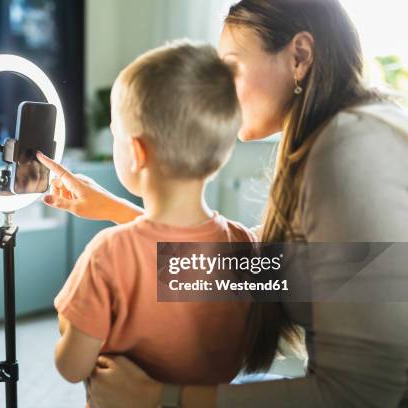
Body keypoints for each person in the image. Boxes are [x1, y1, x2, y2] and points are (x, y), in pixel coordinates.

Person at [38, 0, 408, 406]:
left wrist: (163, 396)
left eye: (229, 68)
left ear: (299, 57)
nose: (219, 91)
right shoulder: (339, 138)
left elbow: (361, 395)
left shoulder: (348, 149)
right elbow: (266, 269)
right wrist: (116, 211)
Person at [49, 41, 254, 405]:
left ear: (138, 153)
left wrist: (70, 325)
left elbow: (71, 367)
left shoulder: (107, 254)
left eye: (115, 133)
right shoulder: (240, 244)